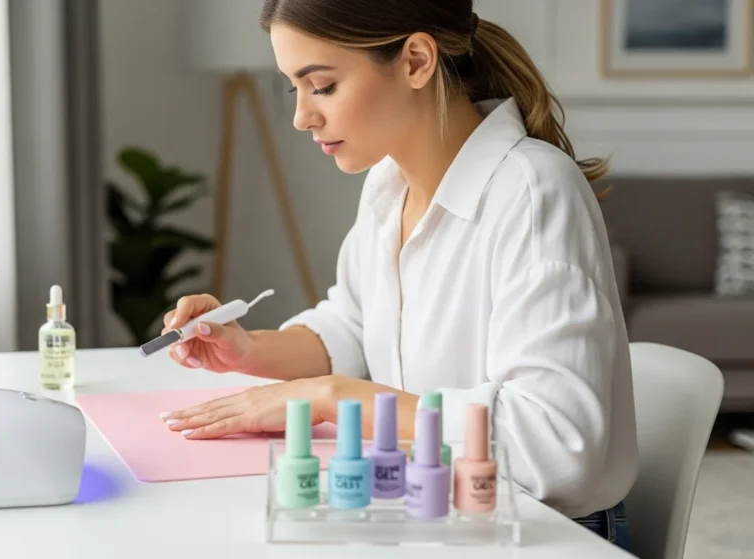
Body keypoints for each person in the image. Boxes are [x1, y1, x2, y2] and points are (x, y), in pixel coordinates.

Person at [158, 0, 638, 551]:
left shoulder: (531, 191)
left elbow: (555, 446)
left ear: (415, 60)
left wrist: (331, 397)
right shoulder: (389, 186)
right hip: (426, 510)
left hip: (540, 532)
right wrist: (247, 348)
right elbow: (356, 327)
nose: (302, 117)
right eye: (296, 88)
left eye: (323, 86)